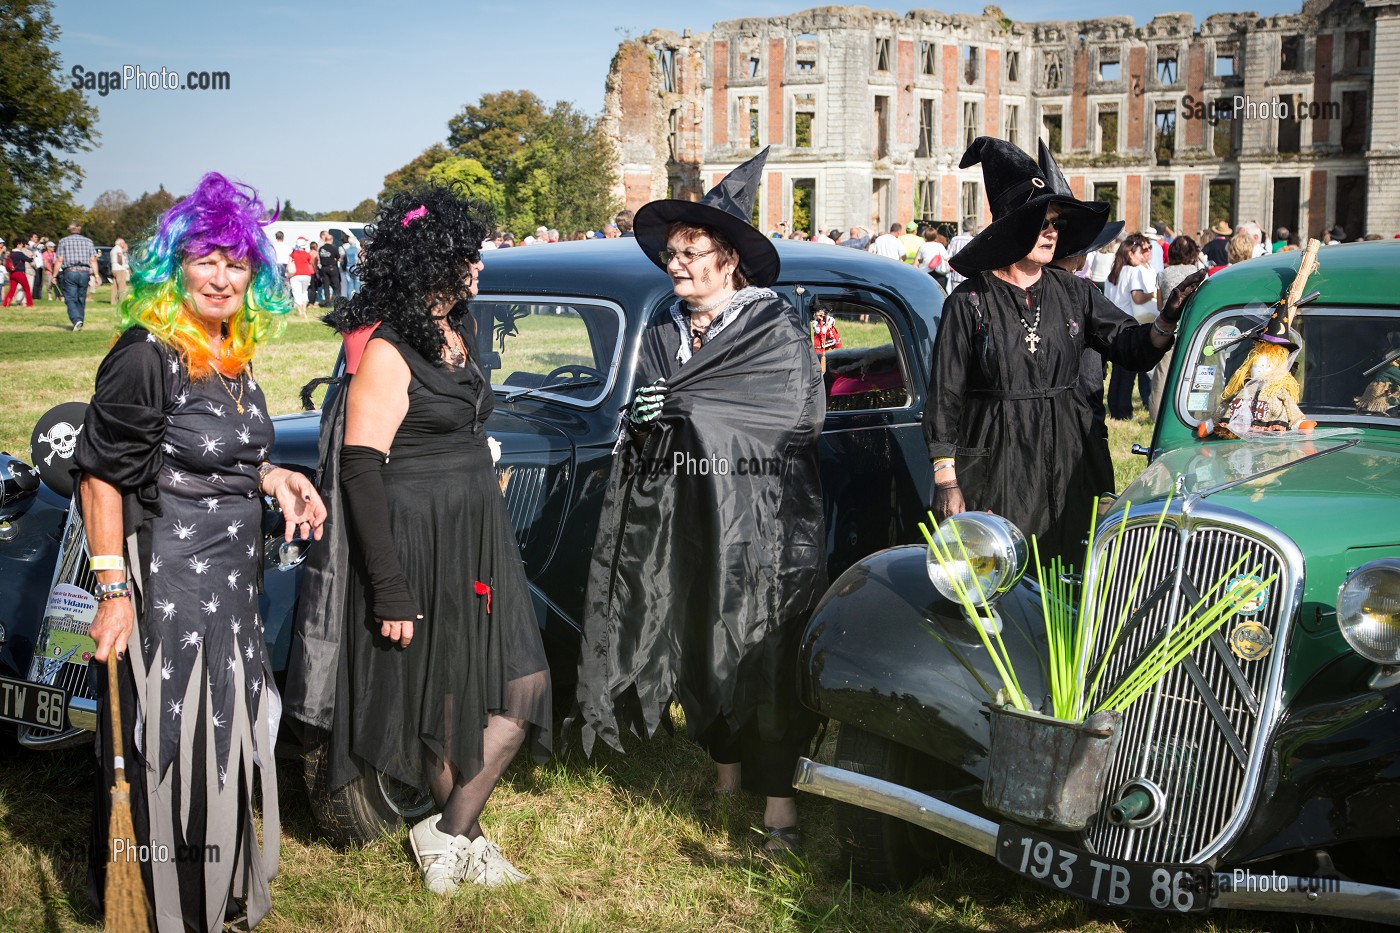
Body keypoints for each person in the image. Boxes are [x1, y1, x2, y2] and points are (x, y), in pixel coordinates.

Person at [75, 172, 326, 931]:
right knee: (168, 746)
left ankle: (210, 895)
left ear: (255, 273)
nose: (221, 276)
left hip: (231, 594)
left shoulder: (229, 351)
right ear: (173, 265)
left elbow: (215, 455)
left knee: (221, 742)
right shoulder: (145, 354)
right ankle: (157, 907)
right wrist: (114, 590)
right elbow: (99, 473)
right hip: (168, 590)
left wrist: (276, 474)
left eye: (236, 262)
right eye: (205, 258)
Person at [295, 186, 551, 894]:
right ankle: (455, 838)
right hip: (417, 534)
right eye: (465, 255)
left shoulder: (460, 327)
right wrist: (391, 586)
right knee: (444, 695)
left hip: (474, 529)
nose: (477, 265)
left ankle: (450, 832)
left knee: (519, 682)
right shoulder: (388, 350)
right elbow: (360, 468)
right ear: (428, 260)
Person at [577, 147, 825, 857]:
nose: (677, 264)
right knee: (697, 639)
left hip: (760, 525)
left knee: (761, 651)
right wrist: (648, 417)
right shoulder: (663, 330)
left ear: (729, 261)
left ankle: (779, 807)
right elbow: (645, 425)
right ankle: (724, 780)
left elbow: (796, 420)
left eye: (692, 252)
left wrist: (687, 408)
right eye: (672, 253)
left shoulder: (772, 327)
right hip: (685, 517)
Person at [926, 137, 1203, 564]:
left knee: (1069, 573)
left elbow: (1131, 347)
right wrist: (947, 480)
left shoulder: (1076, 293)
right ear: (1014, 225)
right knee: (1003, 574)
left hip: (1069, 457)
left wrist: (1165, 319)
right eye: (1042, 221)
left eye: (1056, 222)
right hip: (999, 461)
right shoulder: (968, 301)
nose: (1053, 231)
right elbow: (945, 395)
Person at [1103, 234, 1158, 419]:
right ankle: (1124, 411)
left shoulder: (1113, 273)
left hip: (1112, 323)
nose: (1141, 256)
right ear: (1130, 254)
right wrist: (1152, 295)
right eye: (1138, 253)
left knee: (1117, 371)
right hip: (1128, 323)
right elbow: (1137, 297)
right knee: (1128, 371)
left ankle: (1114, 407)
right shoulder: (1133, 272)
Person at [1149, 235, 1201, 421]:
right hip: (1192, 327)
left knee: (1162, 374)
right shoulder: (1198, 271)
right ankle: (1195, 412)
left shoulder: (1163, 274)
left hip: (1170, 328)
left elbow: (1159, 305)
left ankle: (1155, 415)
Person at [56, 222, 100, 332]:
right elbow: (93, 260)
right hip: (84, 272)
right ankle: (80, 319)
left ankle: (76, 320)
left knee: (70, 298)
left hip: (70, 271)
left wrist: (54, 274)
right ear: (79, 230)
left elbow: (60, 260)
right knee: (81, 298)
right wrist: (97, 275)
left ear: (69, 230)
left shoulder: (63, 241)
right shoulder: (88, 241)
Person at [2, 239, 34, 307]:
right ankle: (30, 304)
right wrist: (32, 257)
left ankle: (5, 304)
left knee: (12, 290)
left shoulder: (11, 254)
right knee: (27, 289)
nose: (22, 245)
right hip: (20, 273)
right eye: (21, 244)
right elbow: (29, 260)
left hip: (12, 274)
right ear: (18, 244)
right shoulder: (20, 254)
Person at [288, 237, 314, 317]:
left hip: (296, 274)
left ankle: (300, 311)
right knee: (304, 291)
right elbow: (311, 262)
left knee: (297, 292)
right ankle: (304, 309)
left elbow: (289, 262)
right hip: (306, 274)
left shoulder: (293, 253)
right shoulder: (306, 254)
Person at [315, 231, 341, 306]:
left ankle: (327, 302)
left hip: (324, 268)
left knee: (326, 285)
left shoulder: (321, 249)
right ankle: (336, 301)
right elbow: (338, 258)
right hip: (332, 268)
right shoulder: (334, 248)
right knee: (336, 285)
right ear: (331, 240)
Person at [109, 238, 130, 305]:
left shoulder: (113, 249)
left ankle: (113, 301)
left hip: (114, 268)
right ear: (120, 243)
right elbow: (119, 255)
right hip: (119, 269)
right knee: (122, 285)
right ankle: (122, 300)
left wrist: (124, 250)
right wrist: (121, 262)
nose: (124, 244)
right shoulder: (118, 249)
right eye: (123, 243)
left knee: (115, 286)